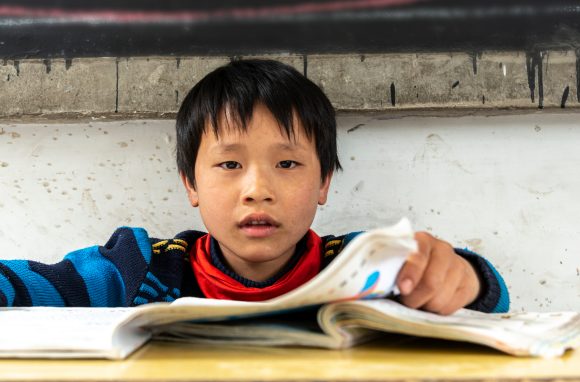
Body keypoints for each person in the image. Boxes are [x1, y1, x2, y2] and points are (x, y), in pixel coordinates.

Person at [0, 59, 509, 314]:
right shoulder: (141, 270)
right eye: (229, 164)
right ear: (190, 183)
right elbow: (26, 285)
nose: (257, 189)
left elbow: (490, 298)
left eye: (287, 163)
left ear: (324, 182)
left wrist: (463, 278)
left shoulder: (362, 268)